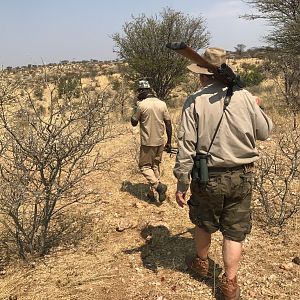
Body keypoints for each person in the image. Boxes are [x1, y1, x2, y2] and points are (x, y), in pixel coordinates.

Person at [173, 48, 273, 300]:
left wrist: (182, 182)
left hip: (209, 177)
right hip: (243, 176)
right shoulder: (245, 96)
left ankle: (202, 263)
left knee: (204, 222)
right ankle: (229, 284)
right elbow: (265, 132)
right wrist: (256, 106)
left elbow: (186, 145)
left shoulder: (194, 101)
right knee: (234, 231)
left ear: (202, 75)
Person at [131, 79, 172, 203]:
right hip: (160, 141)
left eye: (139, 91)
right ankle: (152, 193)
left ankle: (159, 186)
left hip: (148, 142)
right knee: (155, 166)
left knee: (144, 167)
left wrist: (135, 107)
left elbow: (134, 122)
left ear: (143, 91)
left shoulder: (142, 105)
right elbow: (168, 123)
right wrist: (169, 141)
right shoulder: (162, 103)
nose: (138, 94)